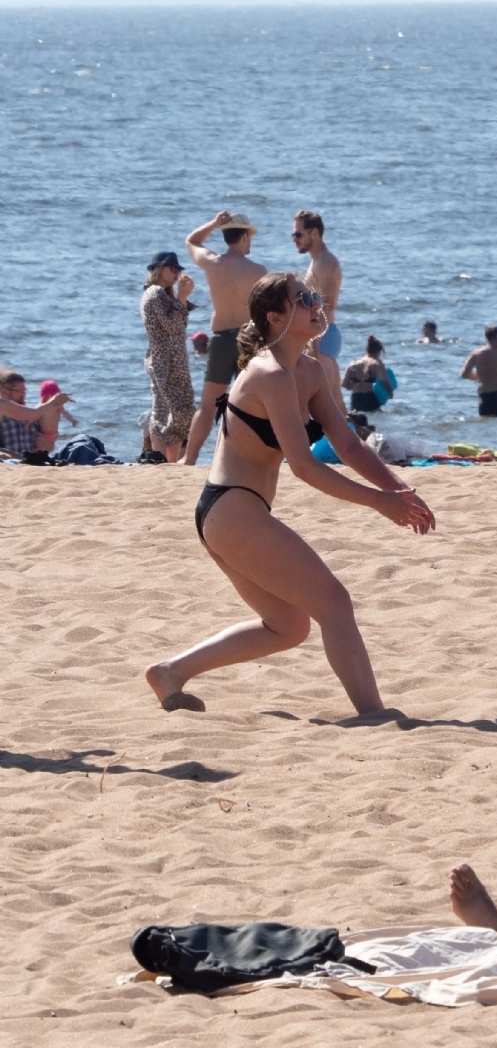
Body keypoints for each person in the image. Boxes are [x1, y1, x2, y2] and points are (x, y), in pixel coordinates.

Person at [142, 273, 435, 715]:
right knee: (334, 603)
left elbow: (349, 445)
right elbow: (303, 465)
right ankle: (374, 715)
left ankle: (170, 672)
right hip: (232, 511)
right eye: (304, 300)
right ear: (275, 317)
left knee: (288, 626)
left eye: (314, 296)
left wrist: (399, 490)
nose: (316, 305)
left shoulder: (309, 370)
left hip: (229, 514)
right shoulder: (271, 374)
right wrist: (379, 502)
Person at [181, 211, 268, 464]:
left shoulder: (212, 263)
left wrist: (214, 223)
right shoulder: (258, 271)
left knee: (208, 406)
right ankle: (244, 459)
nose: (251, 242)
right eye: (250, 237)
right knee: (248, 405)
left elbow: (191, 241)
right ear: (244, 236)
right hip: (248, 340)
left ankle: (189, 459)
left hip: (220, 340)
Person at [141, 251, 197, 463]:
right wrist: (182, 297)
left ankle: (170, 461)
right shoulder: (155, 293)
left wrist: (181, 298)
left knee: (178, 412)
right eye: (171, 269)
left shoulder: (164, 295)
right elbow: (173, 326)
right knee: (167, 411)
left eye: (178, 270)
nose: (176, 273)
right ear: (158, 270)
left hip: (173, 361)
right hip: (165, 362)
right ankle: (160, 458)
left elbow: (179, 326)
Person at [292, 210, 345, 414]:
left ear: (314, 233)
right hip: (320, 337)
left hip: (322, 337)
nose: (295, 239)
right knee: (333, 402)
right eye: (293, 235)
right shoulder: (316, 261)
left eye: (298, 234)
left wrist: (314, 343)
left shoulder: (326, 262)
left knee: (325, 404)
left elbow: (328, 306)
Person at [0, 370, 72, 456]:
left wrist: (48, 446)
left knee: (80, 445)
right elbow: (32, 413)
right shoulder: (3, 413)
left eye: (24, 391)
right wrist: (54, 400)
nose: (23, 394)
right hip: (9, 460)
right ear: (4, 392)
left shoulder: (33, 416)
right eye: (19, 391)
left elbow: (49, 443)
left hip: (31, 461)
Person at [460, 325, 497, 417]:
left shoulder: (476, 354)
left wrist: (480, 378)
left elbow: (464, 374)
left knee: (485, 423)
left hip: (485, 397)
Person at [342, 336, 393, 414]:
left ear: (366, 349)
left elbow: (344, 384)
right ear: (378, 351)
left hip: (355, 399)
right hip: (370, 399)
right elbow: (385, 381)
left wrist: (355, 386)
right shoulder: (376, 364)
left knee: (358, 418)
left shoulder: (353, 365)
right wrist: (390, 392)